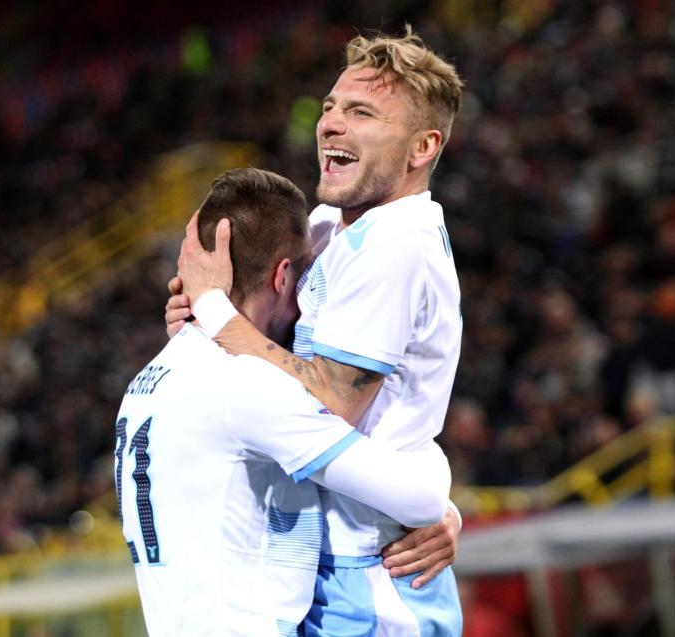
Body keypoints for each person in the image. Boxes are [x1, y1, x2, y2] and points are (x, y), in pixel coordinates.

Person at [169, 27, 466, 636]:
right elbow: (278, 341)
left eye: (362, 113)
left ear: (421, 147)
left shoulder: (397, 244)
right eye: (331, 106)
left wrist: (217, 315)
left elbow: (330, 402)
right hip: (321, 559)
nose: (330, 123)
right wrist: (207, 315)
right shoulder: (334, 225)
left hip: (376, 576)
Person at [116, 167, 453, 636]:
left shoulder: (148, 380)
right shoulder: (245, 387)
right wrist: (439, 486)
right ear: (282, 277)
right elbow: (421, 499)